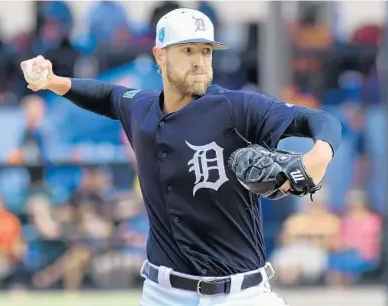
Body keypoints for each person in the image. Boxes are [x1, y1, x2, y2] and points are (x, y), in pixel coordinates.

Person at [22, 8, 342, 306]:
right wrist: (52, 81)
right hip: (163, 294)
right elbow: (106, 95)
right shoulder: (140, 108)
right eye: (187, 50)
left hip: (240, 294)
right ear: (160, 56)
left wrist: (318, 156)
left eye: (206, 51)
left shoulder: (235, 108)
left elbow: (321, 121)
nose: (200, 61)